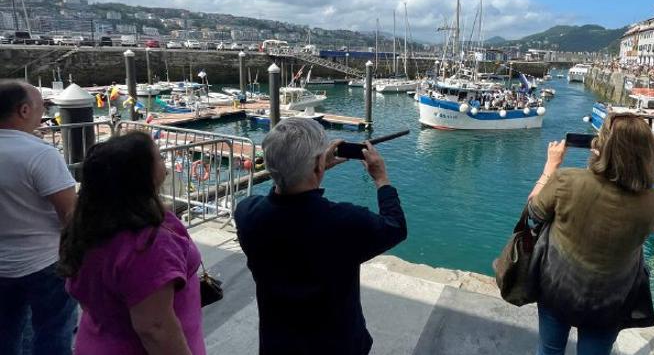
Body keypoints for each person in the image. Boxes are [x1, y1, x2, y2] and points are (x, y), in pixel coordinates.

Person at [234, 118, 406, 354]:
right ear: (318, 165)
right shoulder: (344, 222)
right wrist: (381, 179)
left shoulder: (247, 214)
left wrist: (312, 168)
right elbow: (395, 226)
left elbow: (278, 203)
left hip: (278, 345)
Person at [528, 113, 654, 355]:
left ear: (600, 146)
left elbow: (534, 211)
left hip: (558, 287)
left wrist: (550, 167)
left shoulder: (566, 180)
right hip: (611, 299)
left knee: (549, 350)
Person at [60, 131, 205, 355]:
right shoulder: (147, 245)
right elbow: (154, 328)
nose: (164, 161)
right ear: (140, 174)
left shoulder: (87, 225)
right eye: (158, 157)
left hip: (96, 340)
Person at [0, 80, 78, 355]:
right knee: (54, 330)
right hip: (44, 261)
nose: (44, 112)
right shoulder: (39, 154)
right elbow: (69, 213)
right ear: (23, 111)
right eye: (41, 106)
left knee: (6, 332)